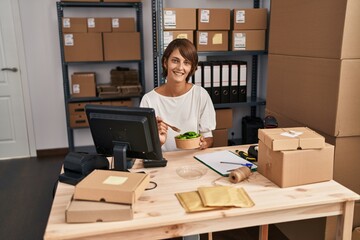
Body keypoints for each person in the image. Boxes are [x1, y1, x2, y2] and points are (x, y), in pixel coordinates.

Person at [140, 38, 216, 152]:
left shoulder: (200, 95)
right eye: (175, 61)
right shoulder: (149, 100)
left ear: (191, 68)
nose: (180, 68)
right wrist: (158, 141)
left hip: (192, 161)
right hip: (163, 163)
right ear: (165, 63)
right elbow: (143, 148)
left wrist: (204, 143)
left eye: (186, 63)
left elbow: (208, 137)